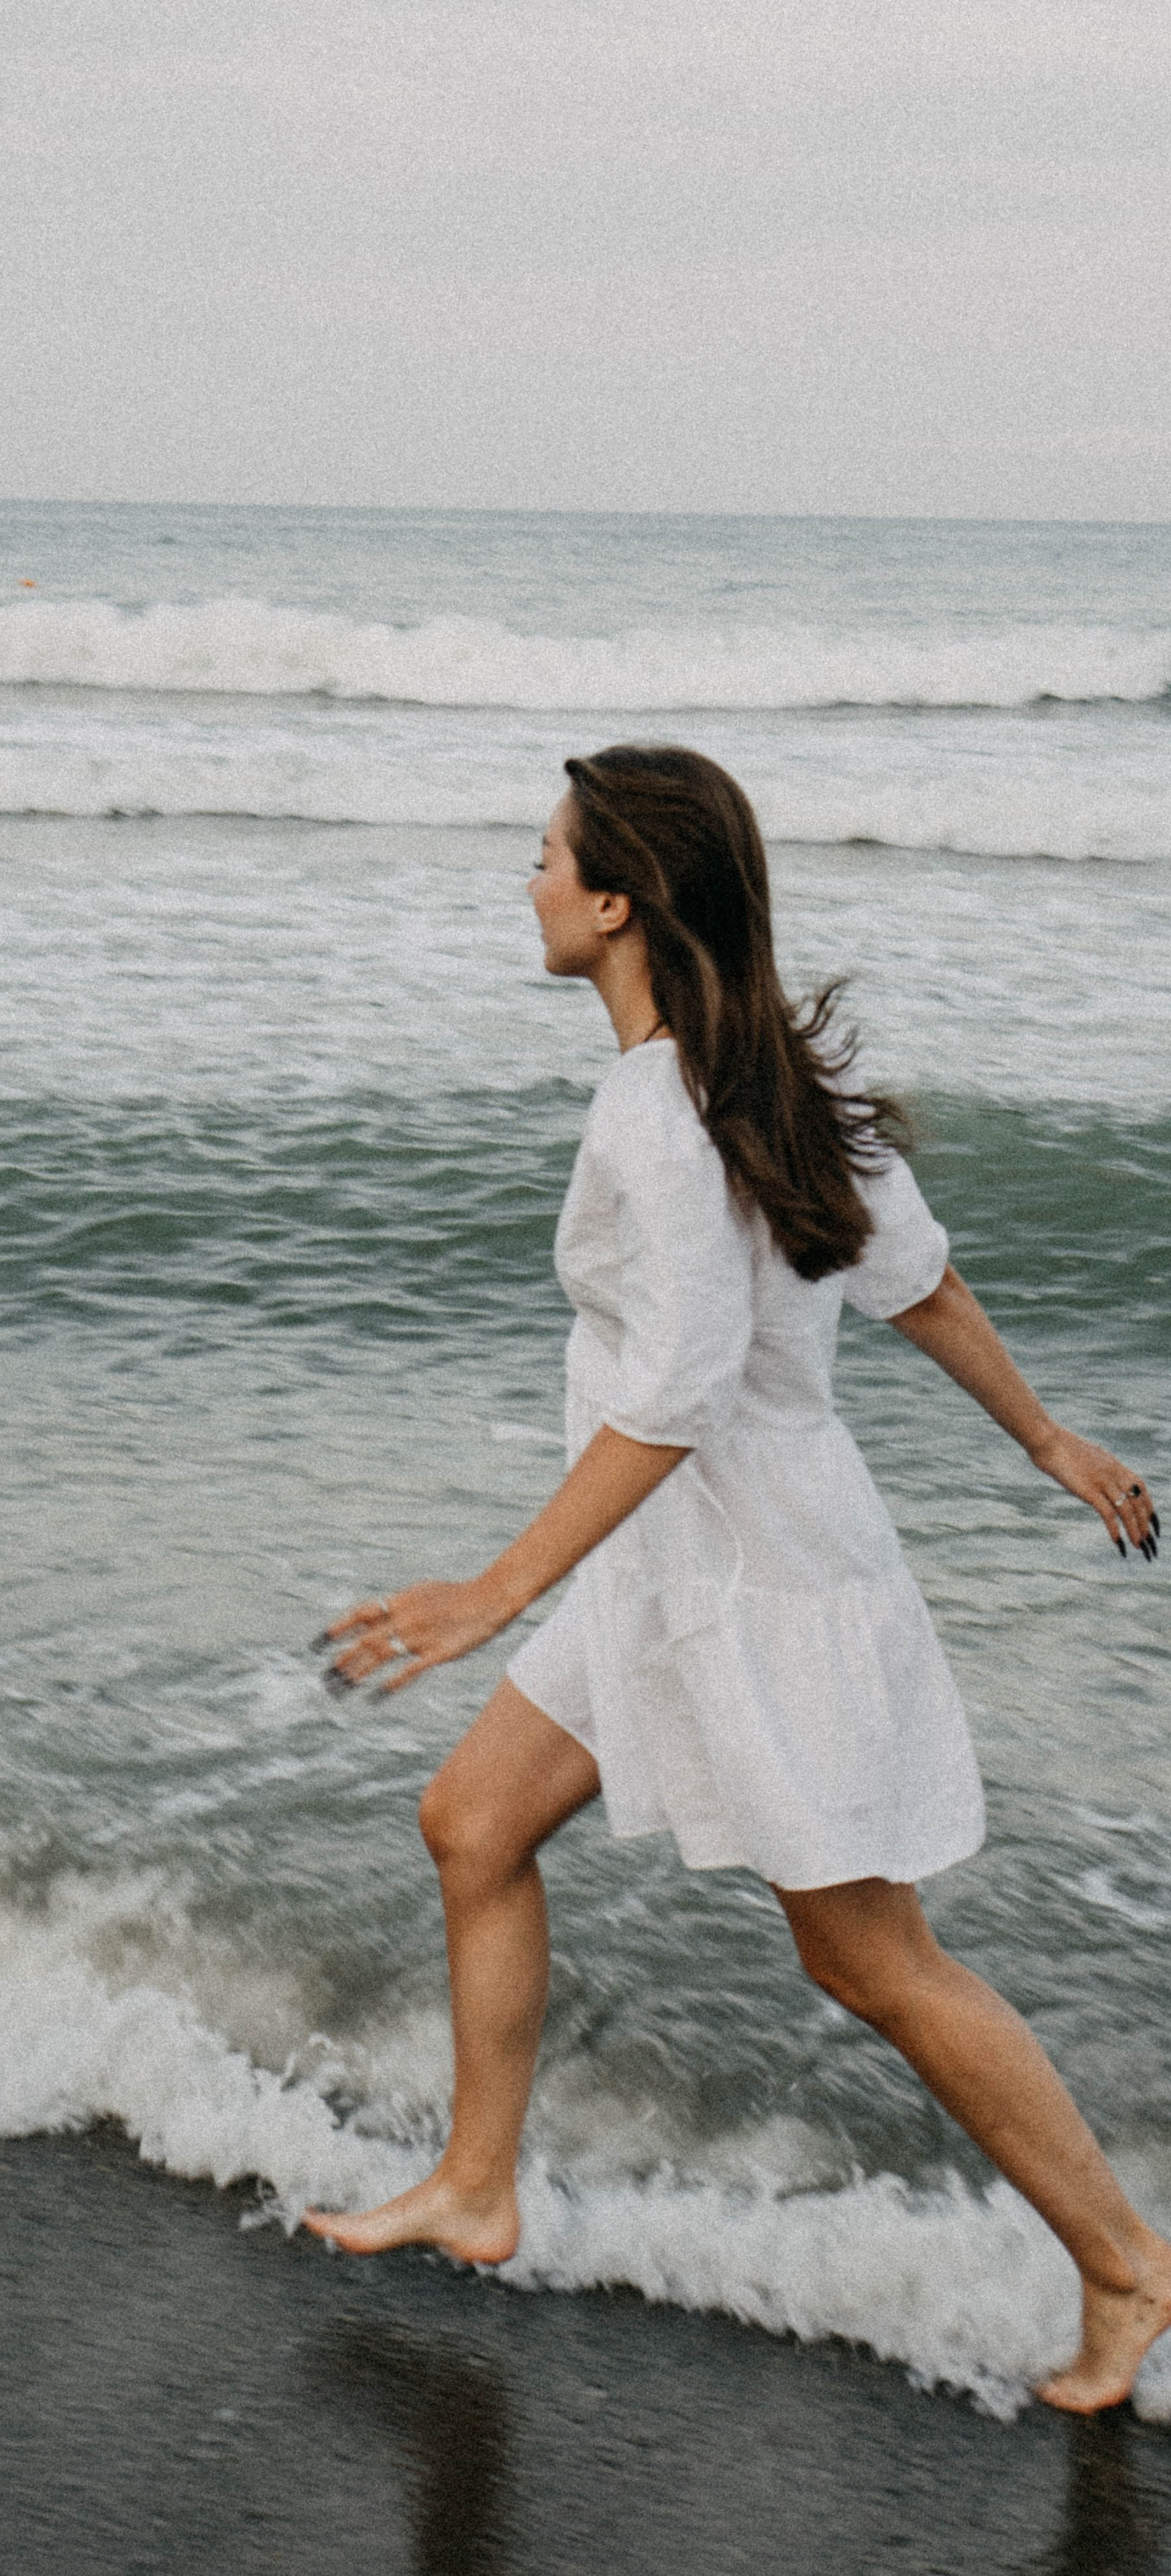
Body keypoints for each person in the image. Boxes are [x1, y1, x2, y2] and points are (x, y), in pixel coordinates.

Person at [305, 746, 1164, 2415]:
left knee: (869, 1961)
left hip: (760, 1585)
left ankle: (1129, 2273)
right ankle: (479, 2185)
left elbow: (683, 1391)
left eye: (547, 855)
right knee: (473, 1825)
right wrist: (1046, 1440)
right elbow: (911, 1281)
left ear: (618, 900)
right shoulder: (756, 1073)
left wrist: (490, 1588)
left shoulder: (659, 1106)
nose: (528, 878)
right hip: (674, 1573)